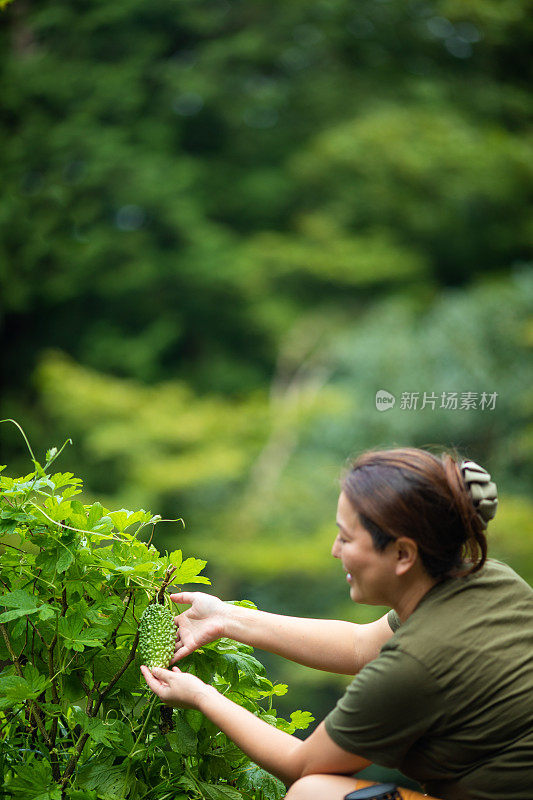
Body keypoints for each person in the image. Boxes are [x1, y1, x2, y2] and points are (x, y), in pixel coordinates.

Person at [141, 447, 533, 800]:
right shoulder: (488, 579)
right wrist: (227, 617)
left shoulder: (415, 664)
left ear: (402, 553)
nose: (334, 551)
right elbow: (361, 645)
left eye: (346, 539)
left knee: (315, 793)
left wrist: (200, 695)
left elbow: (301, 765)